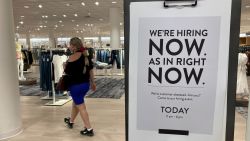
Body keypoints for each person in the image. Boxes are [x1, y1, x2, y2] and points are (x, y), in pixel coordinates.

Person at [64, 37, 96, 136]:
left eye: (70, 45)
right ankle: (71, 121)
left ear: (74, 46)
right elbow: (90, 70)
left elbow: (67, 72)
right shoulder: (86, 56)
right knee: (76, 103)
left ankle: (89, 129)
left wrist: (64, 66)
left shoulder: (71, 58)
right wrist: (93, 82)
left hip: (75, 87)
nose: (69, 46)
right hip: (85, 85)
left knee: (81, 107)